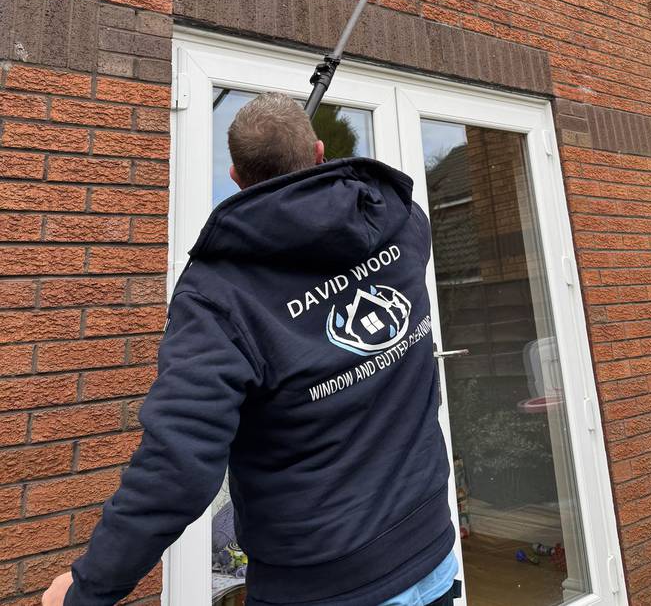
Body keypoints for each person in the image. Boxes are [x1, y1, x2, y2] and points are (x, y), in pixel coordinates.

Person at [43, 92, 458, 606]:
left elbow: (176, 467)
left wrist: (87, 590)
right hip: (430, 552)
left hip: (326, 587)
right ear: (322, 153)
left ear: (236, 178)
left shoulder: (217, 294)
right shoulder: (398, 223)